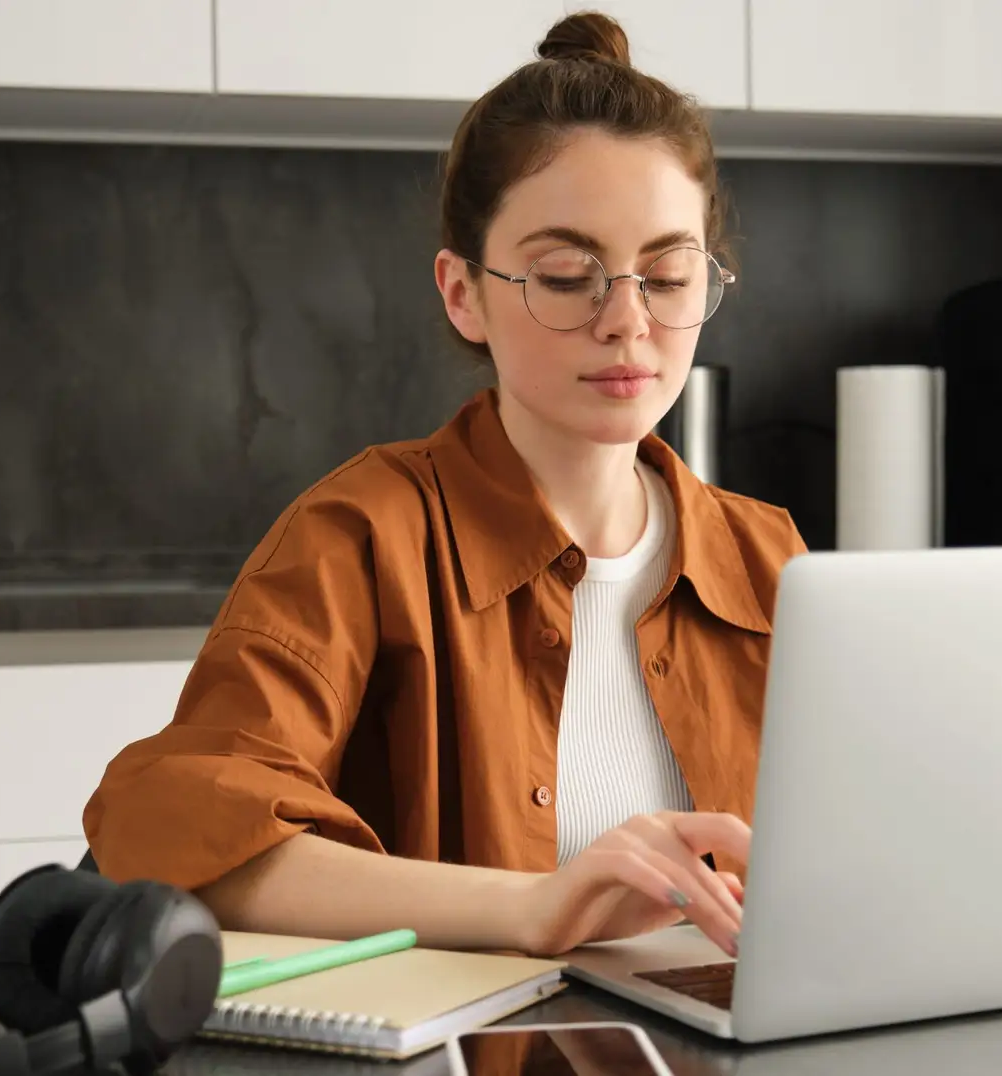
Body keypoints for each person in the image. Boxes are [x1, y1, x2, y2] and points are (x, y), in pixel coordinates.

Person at [81, 11, 805, 962]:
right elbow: (178, 831)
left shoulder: (772, 558)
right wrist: (532, 908)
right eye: (565, 275)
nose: (627, 321)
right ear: (463, 291)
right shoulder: (364, 533)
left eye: (666, 276)